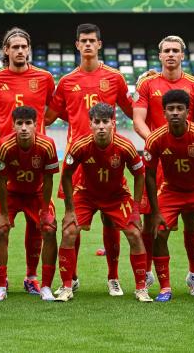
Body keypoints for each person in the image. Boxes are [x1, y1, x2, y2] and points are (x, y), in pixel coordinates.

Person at [45, 23, 133, 296]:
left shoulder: (115, 78)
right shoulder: (67, 81)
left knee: (111, 220)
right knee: (74, 222)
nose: (87, 45)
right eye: (83, 40)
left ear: (99, 44)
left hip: (110, 161)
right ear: (77, 45)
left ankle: (113, 277)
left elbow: (132, 109)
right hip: (77, 161)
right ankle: (70, 278)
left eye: (91, 40)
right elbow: (51, 115)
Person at [132, 35, 194, 296]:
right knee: (151, 222)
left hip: (189, 160)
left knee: (192, 220)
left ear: (183, 55)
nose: (170, 54)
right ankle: (146, 275)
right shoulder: (147, 84)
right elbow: (138, 120)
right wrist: (159, 143)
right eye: (166, 50)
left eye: (175, 50)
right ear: (159, 56)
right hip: (158, 158)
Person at [55, 103, 151, 303]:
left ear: (113, 124)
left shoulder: (125, 146)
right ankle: (66, 286)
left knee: (134, 233)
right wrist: (70, 210)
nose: (101, 126)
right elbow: (67, 175)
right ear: (90, 124)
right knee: (68, 232)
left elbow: (139, 175)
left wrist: (135, 210)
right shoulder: (80, 145)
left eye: (105, 122)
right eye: (96, 122)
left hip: (116, 195)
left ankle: (139, 288)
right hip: (87, 194)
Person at [0, 27, 56, 295]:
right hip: (4, 160)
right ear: (6, 50)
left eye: (23, 46)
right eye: (14, 47)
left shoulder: (45, 78)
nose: (19, 51)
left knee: (39, 224)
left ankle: (31, 277)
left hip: (37, 159)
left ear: (29, 49)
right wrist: (5, 127)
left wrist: (37, 134)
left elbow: (53, 110)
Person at [143, 89, 194, 303]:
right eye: (170, 109)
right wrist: (155, 211)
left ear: (188, 112)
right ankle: (165, 287)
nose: (175, 113)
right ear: (164, 113)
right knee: (158, 232)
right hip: (171, 191)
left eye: (180, 108)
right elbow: (150, 176)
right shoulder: (156, 138)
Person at [0, 106, 59, 302]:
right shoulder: (4, 145)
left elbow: (49, 180)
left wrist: (45, 210)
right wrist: (3, 213)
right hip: (10, 194)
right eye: (19, 123)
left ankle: (41, 284)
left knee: (49, 229)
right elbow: (1, 181)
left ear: (36, 125)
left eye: (28, 123)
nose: (24, 128)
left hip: (36, 193)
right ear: (13, 125)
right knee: (0, 230)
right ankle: (0, 285)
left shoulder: (47, 145)